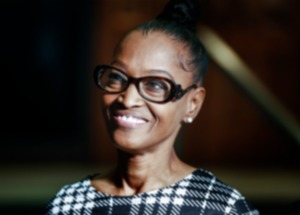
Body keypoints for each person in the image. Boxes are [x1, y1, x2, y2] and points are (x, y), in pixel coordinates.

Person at [45, 0, 259, 214]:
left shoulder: (223, 208)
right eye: (118, 77)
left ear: (193, 104)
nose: (127, 100)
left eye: (155, 85)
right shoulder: (68, 204)